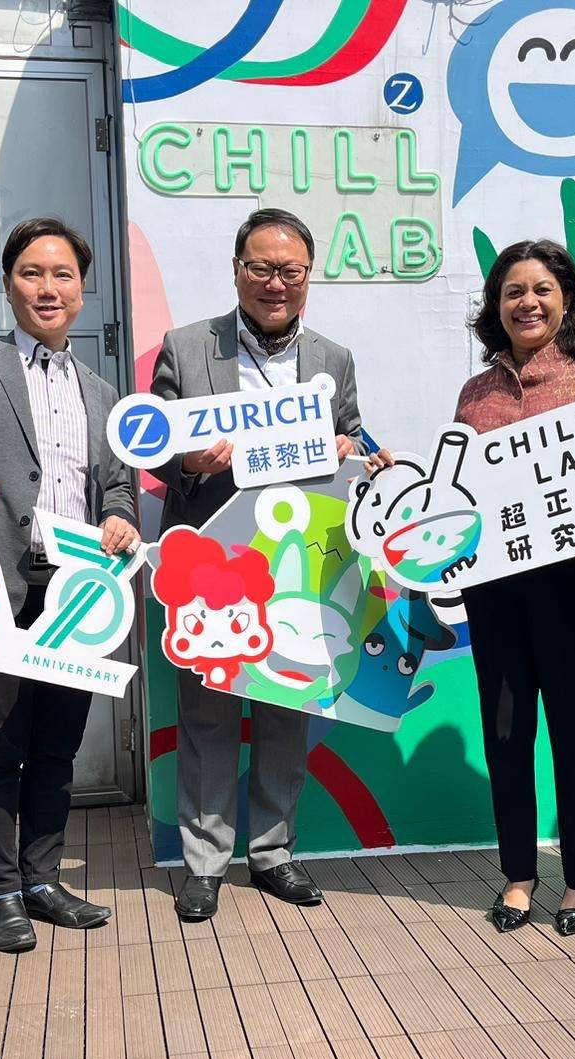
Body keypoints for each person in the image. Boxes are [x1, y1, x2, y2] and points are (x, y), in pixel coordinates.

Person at [0, 218, 138, 953]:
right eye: (32, 273)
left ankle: (43, 879)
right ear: (8, 285)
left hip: (77, 593)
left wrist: (118, 516)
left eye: (62, 275)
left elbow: (116, 486)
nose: (48, 288)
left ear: (83, 288)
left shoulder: (102, 391)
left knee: (57, 746)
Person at [150, 207, 363, 922]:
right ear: (237, 270)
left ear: (309, 276)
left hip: (298, 563)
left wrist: (354, 450)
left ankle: (273, 853)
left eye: (291, 271)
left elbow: (351, 436)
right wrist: (188, 462)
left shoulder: (333, 359)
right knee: (207, 716)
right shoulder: (187, 347)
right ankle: (204, 864)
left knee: (285, 710)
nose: (277, 283)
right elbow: (156, 448)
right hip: (212, 563)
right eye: (262, 269)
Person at [448, 240, 575, 935]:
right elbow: (458, 493)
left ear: (567, 300)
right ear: (495, 306)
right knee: (505, 733)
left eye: (541, 289)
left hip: (570, 586)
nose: (527, 302)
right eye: (512, 292)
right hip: (493, 590)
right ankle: (518, 875)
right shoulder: (476, 393)